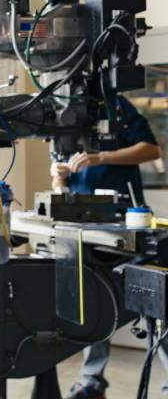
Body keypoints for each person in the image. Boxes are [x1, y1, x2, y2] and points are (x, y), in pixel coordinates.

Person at [51, 95, 162, 399]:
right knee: (91, 301)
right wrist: (59, 181)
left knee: (155, 299)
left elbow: (151, 149)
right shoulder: (61, 116)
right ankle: (92, 382)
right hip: (85, 227)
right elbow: (58, 181)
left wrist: (101, 157)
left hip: (129, 220)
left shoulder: (115, 106)